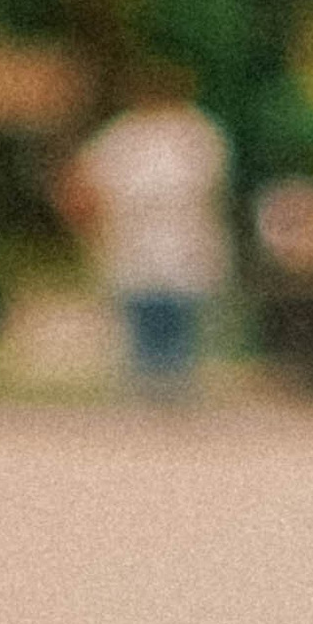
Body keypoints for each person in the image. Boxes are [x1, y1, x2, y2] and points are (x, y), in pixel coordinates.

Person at [63, 71, 232, 393]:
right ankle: (147, 395)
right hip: (135, 246)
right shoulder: (124, 135)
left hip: (181, 246)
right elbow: (84, 185)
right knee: (143, 327)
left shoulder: (195, 133)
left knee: (178, 328)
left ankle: (175, 393)